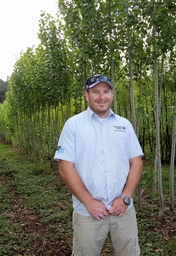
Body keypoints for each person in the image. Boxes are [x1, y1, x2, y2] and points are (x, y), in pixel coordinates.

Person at [54, 74, 143, 255]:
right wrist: (89, 202)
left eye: (106, 92)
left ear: (112, 94)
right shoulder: (73, 125)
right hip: (88, 212)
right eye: (96, 92)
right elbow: (65, 168)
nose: (102, 97)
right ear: (87, 95)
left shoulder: (124, 125)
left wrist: (125, 198)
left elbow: (136, 162)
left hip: (123, 211)